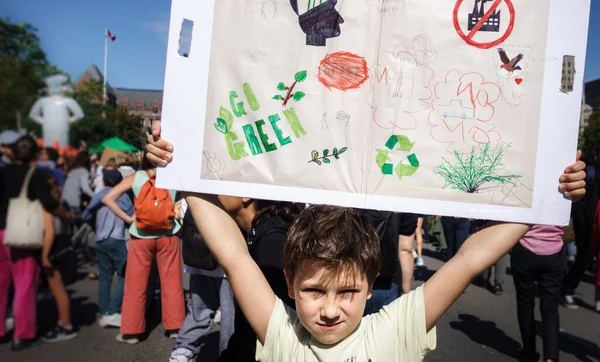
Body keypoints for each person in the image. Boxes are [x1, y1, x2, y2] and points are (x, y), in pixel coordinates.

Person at [147, 128, 586, 361]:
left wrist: (547, 197)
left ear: (372, 282)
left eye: (348, 290)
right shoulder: (282, 334)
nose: (331, 308)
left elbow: (470, 257)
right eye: (314, 290)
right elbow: (233, 255)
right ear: (290, 284)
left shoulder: (394, 330)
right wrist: (180, 170)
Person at [102, 157, 185, 344]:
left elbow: (107, 198)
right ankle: (175, 327)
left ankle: (132, 332)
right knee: (172, 282)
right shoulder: (172, 174)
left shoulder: (136, 176)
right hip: (168, 234)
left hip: (140, 235)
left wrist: (129, 218)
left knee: (136, 284)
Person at [0, 135, 71, 351]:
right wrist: (65, 214)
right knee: (24, 283)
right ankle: (23, 334)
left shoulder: (2, 172)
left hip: (0, 231)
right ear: (33, 153)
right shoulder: (35, 175)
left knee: (1, 283)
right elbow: (48, 203)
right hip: (21, 232)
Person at [217, 198, 300, 362]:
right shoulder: (263, 231)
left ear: (245, 197)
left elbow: (267, 333)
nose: (214, 189)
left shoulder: (272, 244)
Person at [169, 198, 234, 362]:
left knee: (198, 310)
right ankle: (228, 353)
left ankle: (184, 350)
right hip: (228, 265)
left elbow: (180, 216)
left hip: (198, 262)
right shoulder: (231, 197)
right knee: (230, 315)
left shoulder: (190, 197)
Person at [82, 169, 130, 328]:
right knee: (125, 275)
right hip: (116, 238)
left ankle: (104, 312)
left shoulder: (99, 196)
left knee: (105, 277)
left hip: (100, 239)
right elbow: (132, 215)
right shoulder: (122, 195)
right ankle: (112, 311)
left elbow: (86, 215)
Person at [511, 225, 565, 362]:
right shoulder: (564, 201)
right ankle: (551, 357)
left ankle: (529, 351)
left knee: (525, 303)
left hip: (525, 247)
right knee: (550, 308)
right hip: (554, 249)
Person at [362, 211, 417, 315]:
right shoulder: (404, 198)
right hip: (387, 282)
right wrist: (406, 290)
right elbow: (405, 249)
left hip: (347, 277)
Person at [562, 162, 599, 308]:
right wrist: (582, 224)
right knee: (584, 260)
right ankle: (567, 290)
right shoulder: (590, 173)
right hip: (588, 226)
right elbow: (580, 201)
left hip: (591, 224)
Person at [40, 208, 78, 343]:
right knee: (59, 288)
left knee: (58, 289)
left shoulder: (48, 210)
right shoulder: (61, 211)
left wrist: (44, 256)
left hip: (53, 248)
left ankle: (65, 325)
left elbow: (50, 232)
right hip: (62, 246)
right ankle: (65, 324)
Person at [61, 151, 95, 219]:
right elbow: (85, 188)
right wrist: (96, 196)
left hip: (64, 201)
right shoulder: (83, 171)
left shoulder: (72, 171)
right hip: (74, 203)